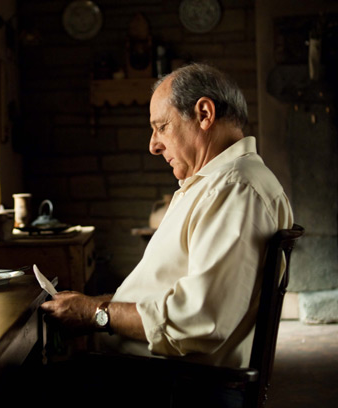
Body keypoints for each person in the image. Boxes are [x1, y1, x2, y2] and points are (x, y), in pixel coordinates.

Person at [40, 63, 293, 370]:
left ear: (204, 114)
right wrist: (92, 306)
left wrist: (95, 313)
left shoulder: (235, 190)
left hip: (174, 387)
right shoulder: (217, 184)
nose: (153, 145)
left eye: (161, 127)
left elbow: (201, 320)